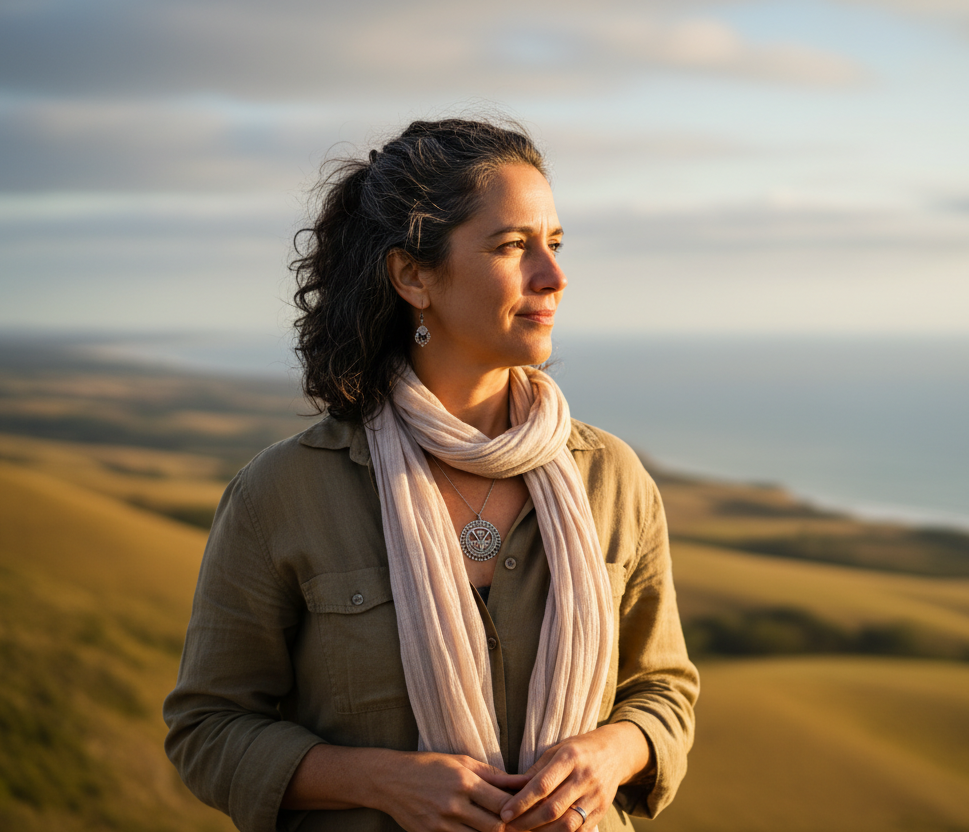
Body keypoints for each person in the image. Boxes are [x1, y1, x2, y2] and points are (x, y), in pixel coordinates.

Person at [163, 118, 698, 832]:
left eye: (556, 244)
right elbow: (207, 729)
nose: (554, 276)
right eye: (514, 246)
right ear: (414, 275)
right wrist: (381, 782)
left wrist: (614, 751)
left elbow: (662, 691)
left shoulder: (613, 479)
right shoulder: (282, 495)